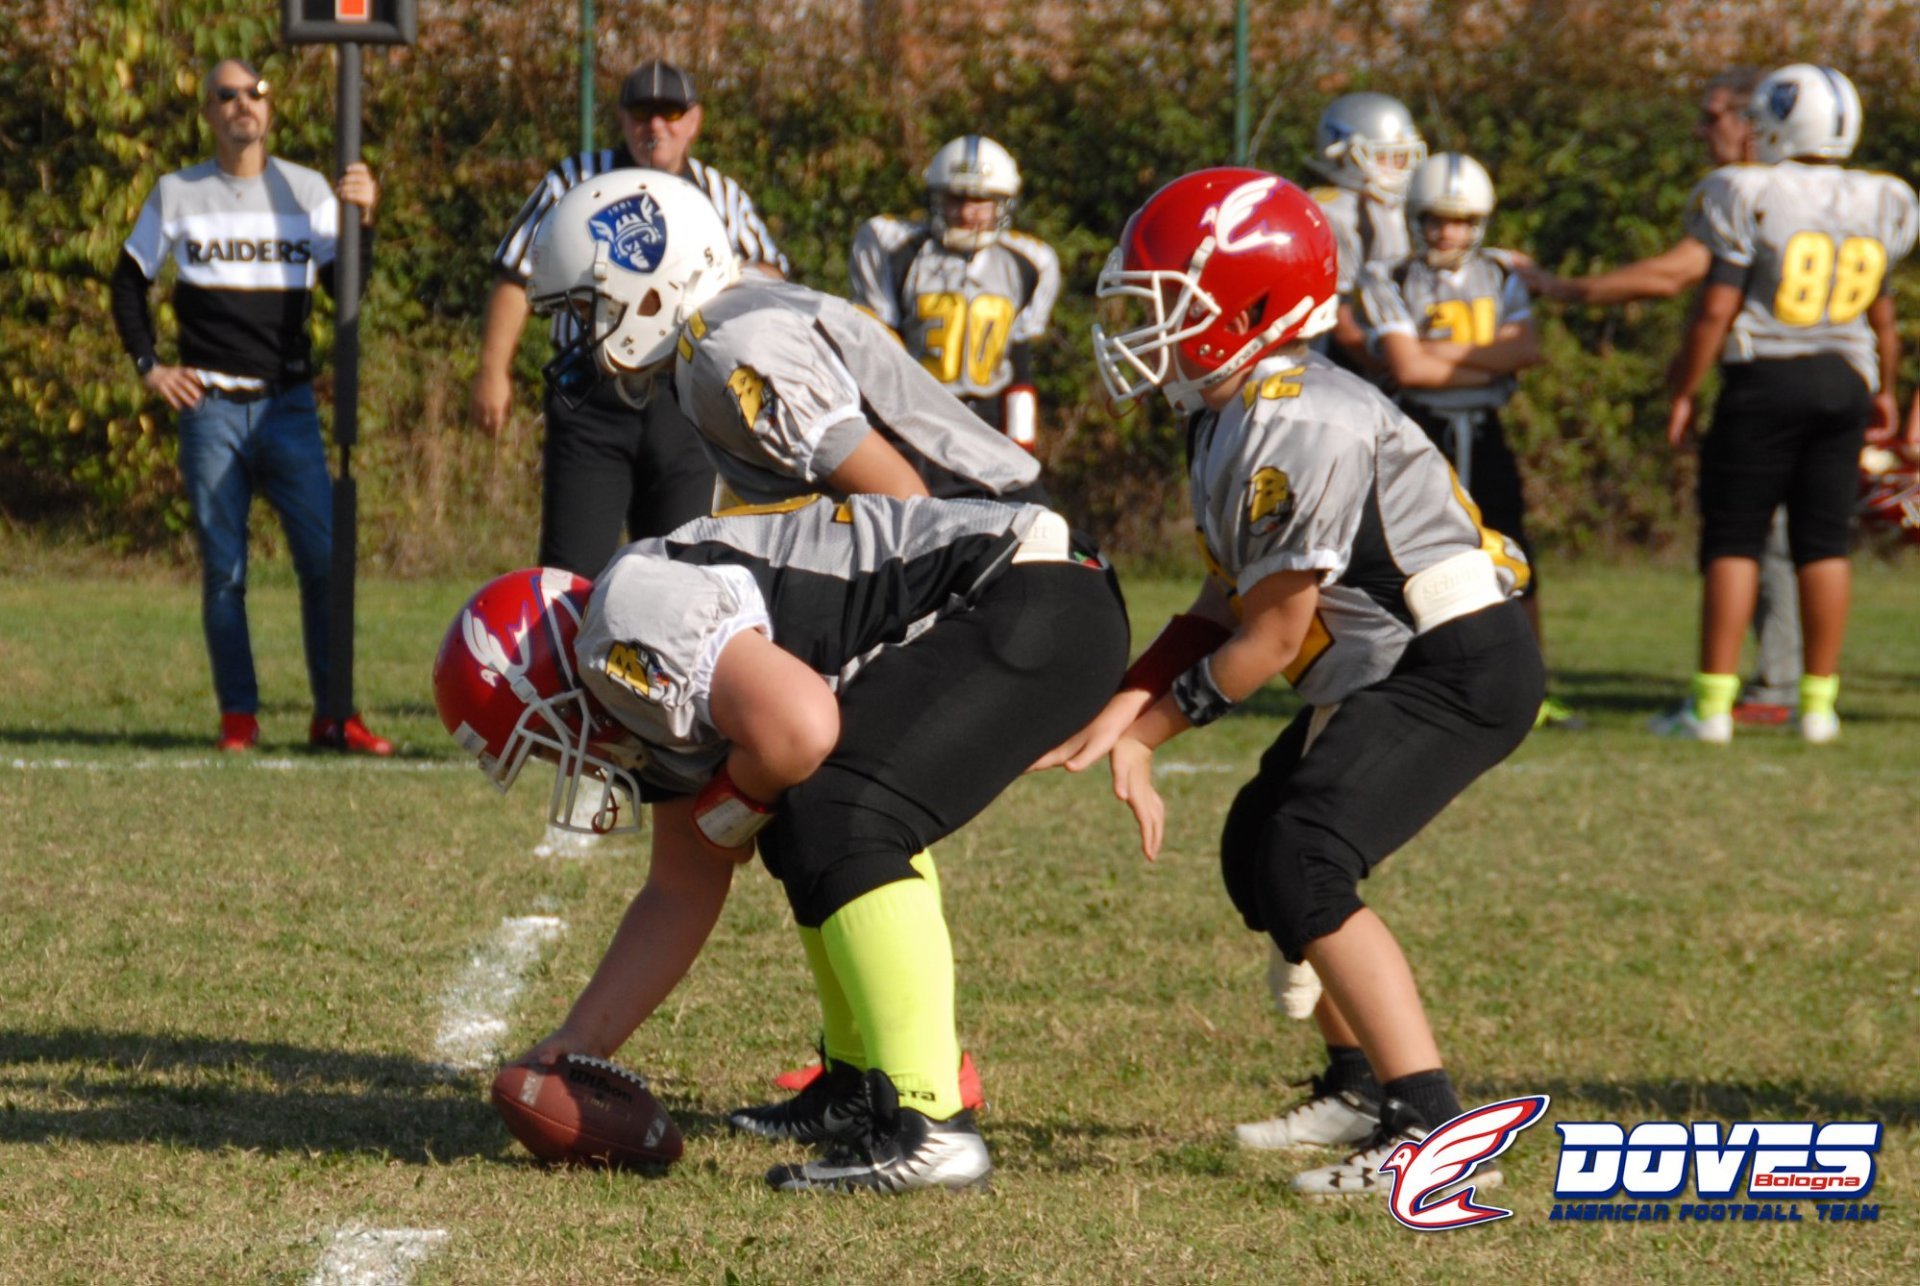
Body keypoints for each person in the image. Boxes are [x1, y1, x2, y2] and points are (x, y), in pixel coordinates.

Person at [1048, 168, 1541, 1197]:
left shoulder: (1302, 417)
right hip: (1387, 660)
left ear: (1249, 306)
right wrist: (1127, 699)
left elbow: (1272, 637)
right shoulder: (1232, 410)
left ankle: (1429, 1124)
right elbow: (1223, 598)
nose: (1147, 326)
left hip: (1454, 659)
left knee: (1306, 856)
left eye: (1167, 303)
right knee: (1258, 850)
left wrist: (1150, 733)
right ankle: (1361, 1082)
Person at [432, 494, 1129, 1192]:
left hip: (1030, 592)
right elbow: (681, 889)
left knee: (842, 807)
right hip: (1030, 595)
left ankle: (930, 1124)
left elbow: (800, 727)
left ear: (546, 679)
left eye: (547, 743)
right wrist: (582, 1041)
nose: (568, 765)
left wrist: (732, 800)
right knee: (804, 811)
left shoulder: (623, 618)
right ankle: (862, 1086)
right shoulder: (639, 688)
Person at [108, 58, 392, 756]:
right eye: (226, 96)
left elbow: (344, 294)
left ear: (270, 107)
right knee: (225, 571)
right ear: (207, 112)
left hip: (287, 406)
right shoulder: (178, 193)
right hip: (208, 408)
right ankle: (239, 716)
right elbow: (128, 278)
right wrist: (151, 367)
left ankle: (336, 715)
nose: (242, 105)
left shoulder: (306, 190)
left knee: (326, 562)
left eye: (254, 93)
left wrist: (364, 220)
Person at [1519, 69, 1802, 726]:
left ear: (1753, 123)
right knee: (1794, 535)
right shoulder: (1816, 191)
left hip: (1772, 381)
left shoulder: (1748, 191)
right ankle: (1791, 688)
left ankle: (1774, 689)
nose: (1702, 132)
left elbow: (1679, 274)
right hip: (1827, 380)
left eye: (1713, 117)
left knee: (1757, 533)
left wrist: (1561, 287)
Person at [525, 168, 1043, 508]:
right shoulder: (729, 313)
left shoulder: (731, 350)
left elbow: (905, 501)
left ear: (652, 291)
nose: (586, 331)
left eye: (590, 308)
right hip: (981, 518)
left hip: (987, 528)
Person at [1660, 64, 1916, 744]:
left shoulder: (1750, 190)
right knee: (1824, 542)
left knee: (1735, 538)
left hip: (1768, 375)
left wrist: (1684, 388)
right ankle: (1819, 707)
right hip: (1845, 378)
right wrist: (1886, 389)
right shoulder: (1879, 198)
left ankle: (1711, 707)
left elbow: (1717, 308)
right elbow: (1884, 319)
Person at [470, 58, 789, 578]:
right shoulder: (574, 182)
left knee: (682, 565)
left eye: (669, 113)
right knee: (571, 568)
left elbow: (770, 273)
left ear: (694, 121)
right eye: (643, 113)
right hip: (591, 391)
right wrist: (491, 371)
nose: (655, 127)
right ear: (622, 118)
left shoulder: (720, 195)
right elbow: (516, 273)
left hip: (687, 395)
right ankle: (568, 660)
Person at [1356, 153, 1572, 728]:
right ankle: (1410, 681)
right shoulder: (1390, 275)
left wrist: (1438, 354)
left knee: (1513, 554)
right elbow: (1409, 371)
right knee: (1412, 558)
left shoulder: (1500, 272)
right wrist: (1486, 363)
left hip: (1485, 431)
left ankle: (1533, 690)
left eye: (1461, 220)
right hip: (1421, 434)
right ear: (1417, 217)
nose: (1448, 232)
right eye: (1437, 218)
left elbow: (1525, 350)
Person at [848, 135, 1061, 450]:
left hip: (987, 426)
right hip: (915, 422)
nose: (968, 213)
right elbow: (878, 350)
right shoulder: (897, 249)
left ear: (1002, 204)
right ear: (937, 199)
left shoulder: (1029, 263)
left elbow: (1020, 362)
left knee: (1031, 499)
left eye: (981, 201)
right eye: (956, 199)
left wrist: (1021, 443)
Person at [1303, 92, 1426, 376]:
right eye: (1384, 157)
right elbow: (1341, 324)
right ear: (1339, 151)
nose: (1397, 169)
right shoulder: (1333, 211)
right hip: (1348, 367)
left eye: (1401, 157)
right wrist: (1393, 370)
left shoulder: (1397, 206)